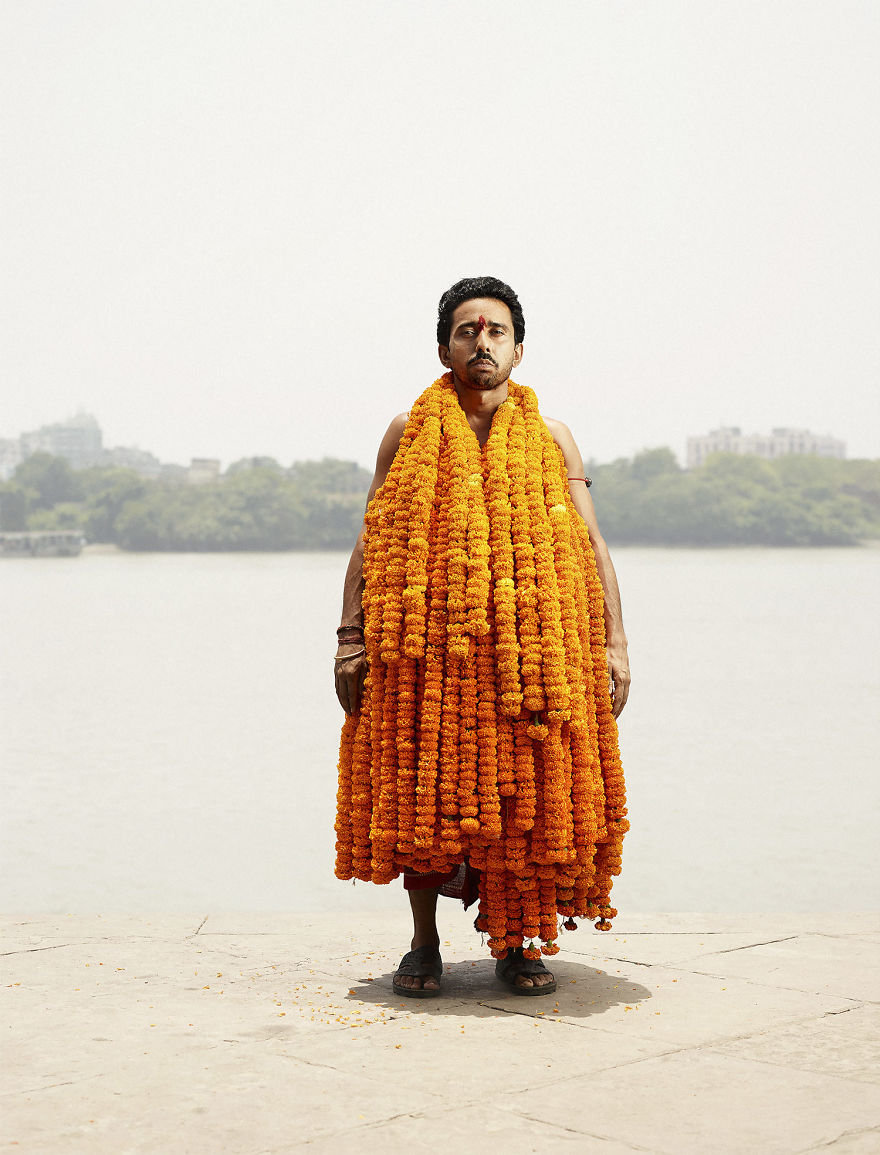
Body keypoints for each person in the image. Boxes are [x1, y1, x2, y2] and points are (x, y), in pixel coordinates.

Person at [334, 277, 630, 998]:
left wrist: (615, 642)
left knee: (525, 794)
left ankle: (518, 939)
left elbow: (590, 543)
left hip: (535, 656)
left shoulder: (553, 438)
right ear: (445, 348)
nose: (483, 342)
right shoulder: (407, 434)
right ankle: (424, 941)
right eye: (468, 331)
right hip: (427, 653)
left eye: (496, 331)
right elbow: (371, 539)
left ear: (519, 349)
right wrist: (351, 634)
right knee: (422, 795)